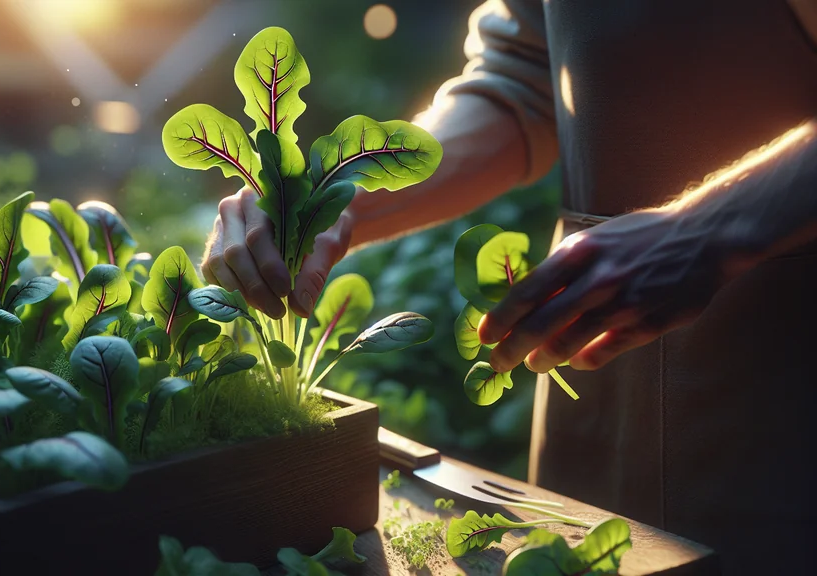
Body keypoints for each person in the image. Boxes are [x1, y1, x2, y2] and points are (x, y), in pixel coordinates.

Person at [203, 1, 817, 572]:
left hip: (779, 381)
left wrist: (711, 227)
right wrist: (334, 199)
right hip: (588, 352)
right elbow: (522, 80)